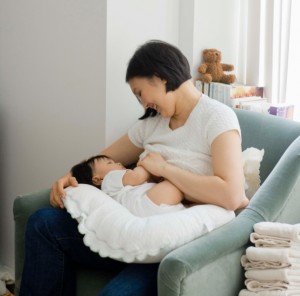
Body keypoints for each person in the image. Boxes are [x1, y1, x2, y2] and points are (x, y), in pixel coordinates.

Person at [20, 40, 249, 296]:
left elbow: (231, 194)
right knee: (43, 223)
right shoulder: (151, 124)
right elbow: (102, 159)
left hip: (171, 245)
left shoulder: (217, 117)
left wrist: (165, 169)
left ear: (159, 77)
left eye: (140, 93)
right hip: (130, 230)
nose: (143, 104)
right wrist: (69, 177)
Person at [70, 154, 185, 217]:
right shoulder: (109, 179)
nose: (119, 163)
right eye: (110, 163)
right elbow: (137, 177)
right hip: (144, 203)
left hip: (148, 210)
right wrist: (144, 163)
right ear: (97, 180)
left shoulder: (112, 188)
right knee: (172, 186)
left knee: (177, 200)